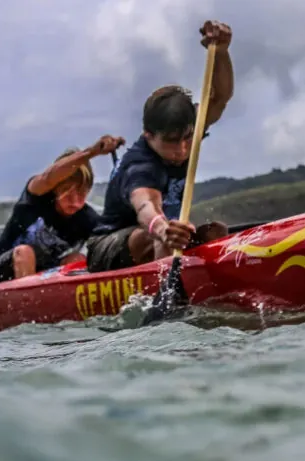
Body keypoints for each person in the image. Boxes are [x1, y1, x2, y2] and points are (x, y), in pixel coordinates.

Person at [86, 20, 234, 273]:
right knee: (157, 233)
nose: (182, 150)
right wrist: (163, 229)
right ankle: (169, 306)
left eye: (187, 138)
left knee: (215, 232)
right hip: (107, 248)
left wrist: (221, 52)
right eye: (171, 142)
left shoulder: (189, 130)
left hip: (163, 235)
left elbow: (219, 97)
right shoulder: (140, 164)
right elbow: (146, 207)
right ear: (148, 135)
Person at [0, 134, 124, 283]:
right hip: (5, 273)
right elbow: (48, 177)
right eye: (68, 194)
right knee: (25, 252)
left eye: (82, 194)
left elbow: (111, 239)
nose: (76, 202)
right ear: (55, 188)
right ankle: (30, 301)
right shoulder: (36, 196)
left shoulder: (87, 218)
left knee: (76, 259)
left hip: (45, 276)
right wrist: (91, 153)